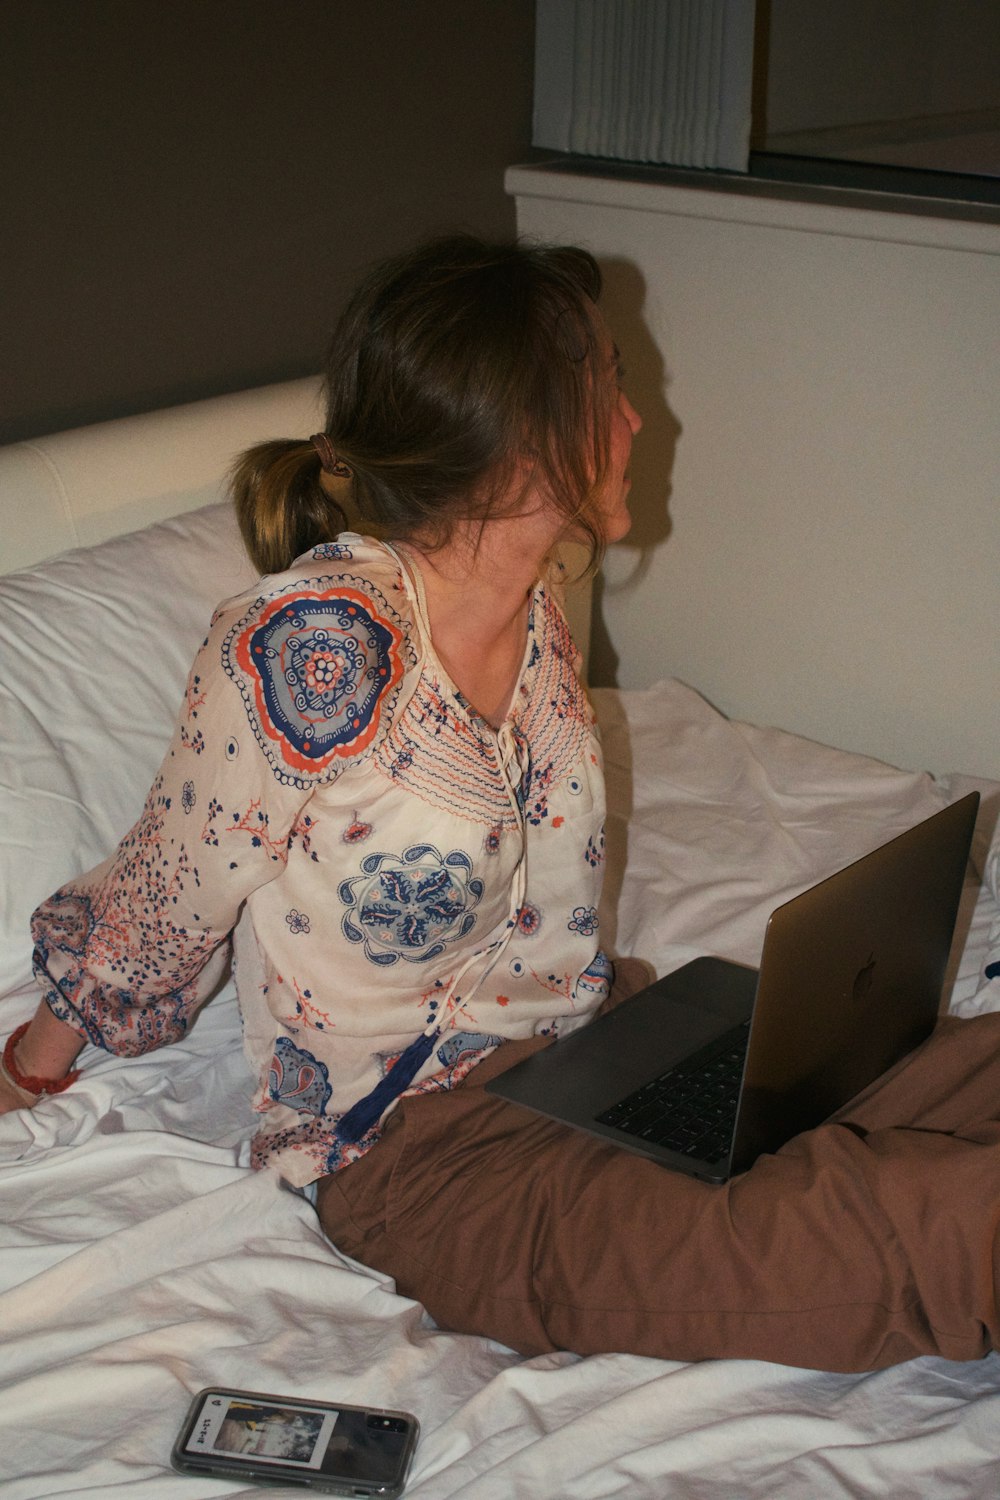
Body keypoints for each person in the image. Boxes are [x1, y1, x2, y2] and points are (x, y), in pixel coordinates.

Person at [3, 235, 1000, 1374]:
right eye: (612, 390)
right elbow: (167, 894)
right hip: (424, 1159)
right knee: (925, 1228)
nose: (635, 422)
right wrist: (32, 1064)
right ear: (523, 440)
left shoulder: (535, 614)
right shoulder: (302, 651)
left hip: (603, 1044)